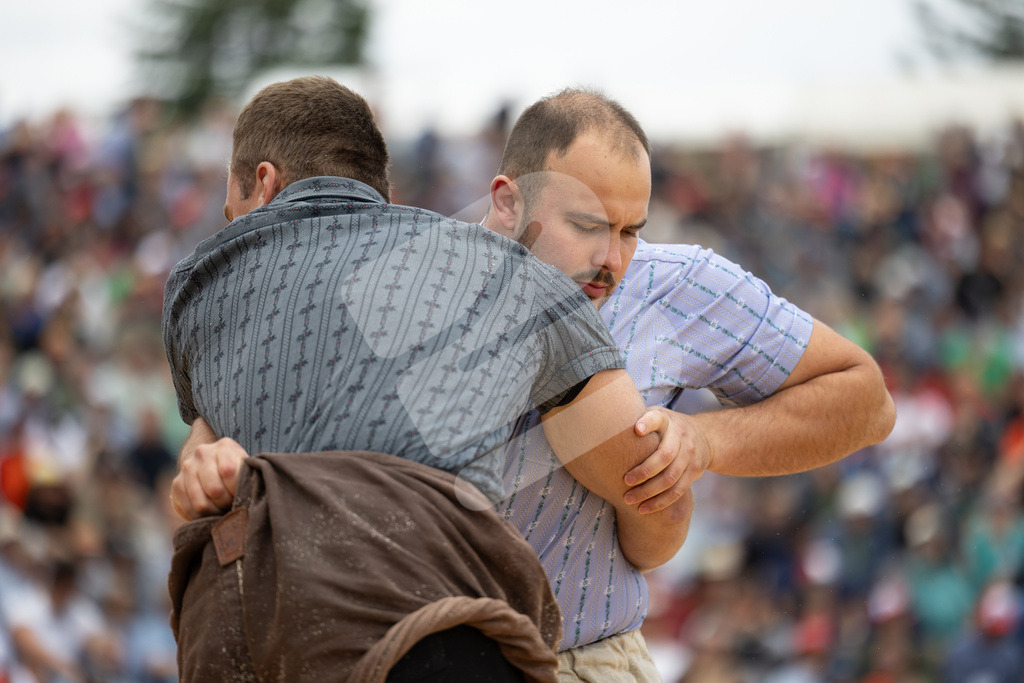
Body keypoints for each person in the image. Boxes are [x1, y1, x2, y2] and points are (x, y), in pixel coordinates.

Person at [162, 76, 689, 682]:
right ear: (378, 194)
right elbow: (648, 486)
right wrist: (683, 467)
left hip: (259, 638)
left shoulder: (197, 285)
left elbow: (198, 471)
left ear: (262, 182)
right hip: (442, 634)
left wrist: (206, 468)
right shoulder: (506, 273)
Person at [475, 88, 895, 680]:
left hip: (587, 659)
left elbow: (867, 399)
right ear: (507, 202)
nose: (612, 259)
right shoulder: (409, 292)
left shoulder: (675, 287)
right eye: (588, 225)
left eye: (630, 230)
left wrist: (704, 441)